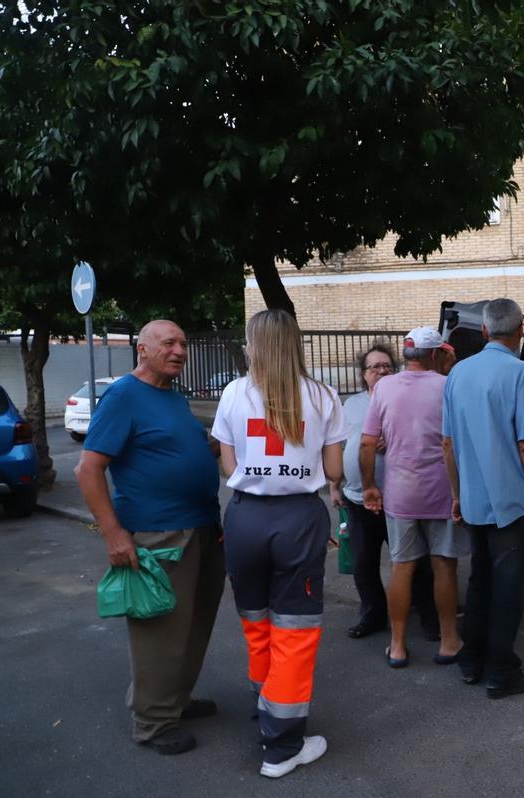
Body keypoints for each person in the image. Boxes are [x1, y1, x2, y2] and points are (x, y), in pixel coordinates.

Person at [75, 320, 224, 756]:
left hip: (202, 526)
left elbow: (191, 448)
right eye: (169, 343)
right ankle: (153, 722)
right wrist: (114, 533)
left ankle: (171, 701)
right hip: (158, 532)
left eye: (183, 343)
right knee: (159, 630)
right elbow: (87, 469)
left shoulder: (172, 397)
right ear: (142, 349)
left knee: (195, 623)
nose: (179, 350)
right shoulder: (124, 395)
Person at [212, 309, 347, 778]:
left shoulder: (232, 393)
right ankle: (283, 746)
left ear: (255, 345)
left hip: (246, 517)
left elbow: (230, 468)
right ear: (296, 344)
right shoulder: (324, 396)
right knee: (294, 632)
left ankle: (265, 708)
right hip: (298, 520)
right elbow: (332, 472)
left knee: (257, 625)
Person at [442, 298, 524, 699]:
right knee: (507, 586)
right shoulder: (523, 374)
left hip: (474, 498)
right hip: (511, 503)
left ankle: (472, 661)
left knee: (479, 581)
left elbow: (448, 443)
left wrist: (457, 494)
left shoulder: (457, 373)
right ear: (520, 331)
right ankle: (502, 670)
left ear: (486, 331)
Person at [361, 327, 467, 667]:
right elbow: (452, 442)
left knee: (402, 567)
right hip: (441, 491)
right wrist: (458, 493)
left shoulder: (384, 387)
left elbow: (367, 443)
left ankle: (397, 645)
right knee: (444, 565)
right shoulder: (447, 385)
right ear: (435, 354)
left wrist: (368, 486)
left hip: (400, 493)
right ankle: (449, 641)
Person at [330, 343, 438, 641]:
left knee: (414, 561)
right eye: (374, 367)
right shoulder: (351, 404)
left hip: (399, 498)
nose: (381, 370)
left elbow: (423, 438)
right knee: (364, 562)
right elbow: (339, 445)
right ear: (363, 375)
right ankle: (373, 616)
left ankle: (429, 617)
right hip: (357, 497)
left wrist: (393, 441)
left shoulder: (407, 398)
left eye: (387, 366)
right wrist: (334, 484)